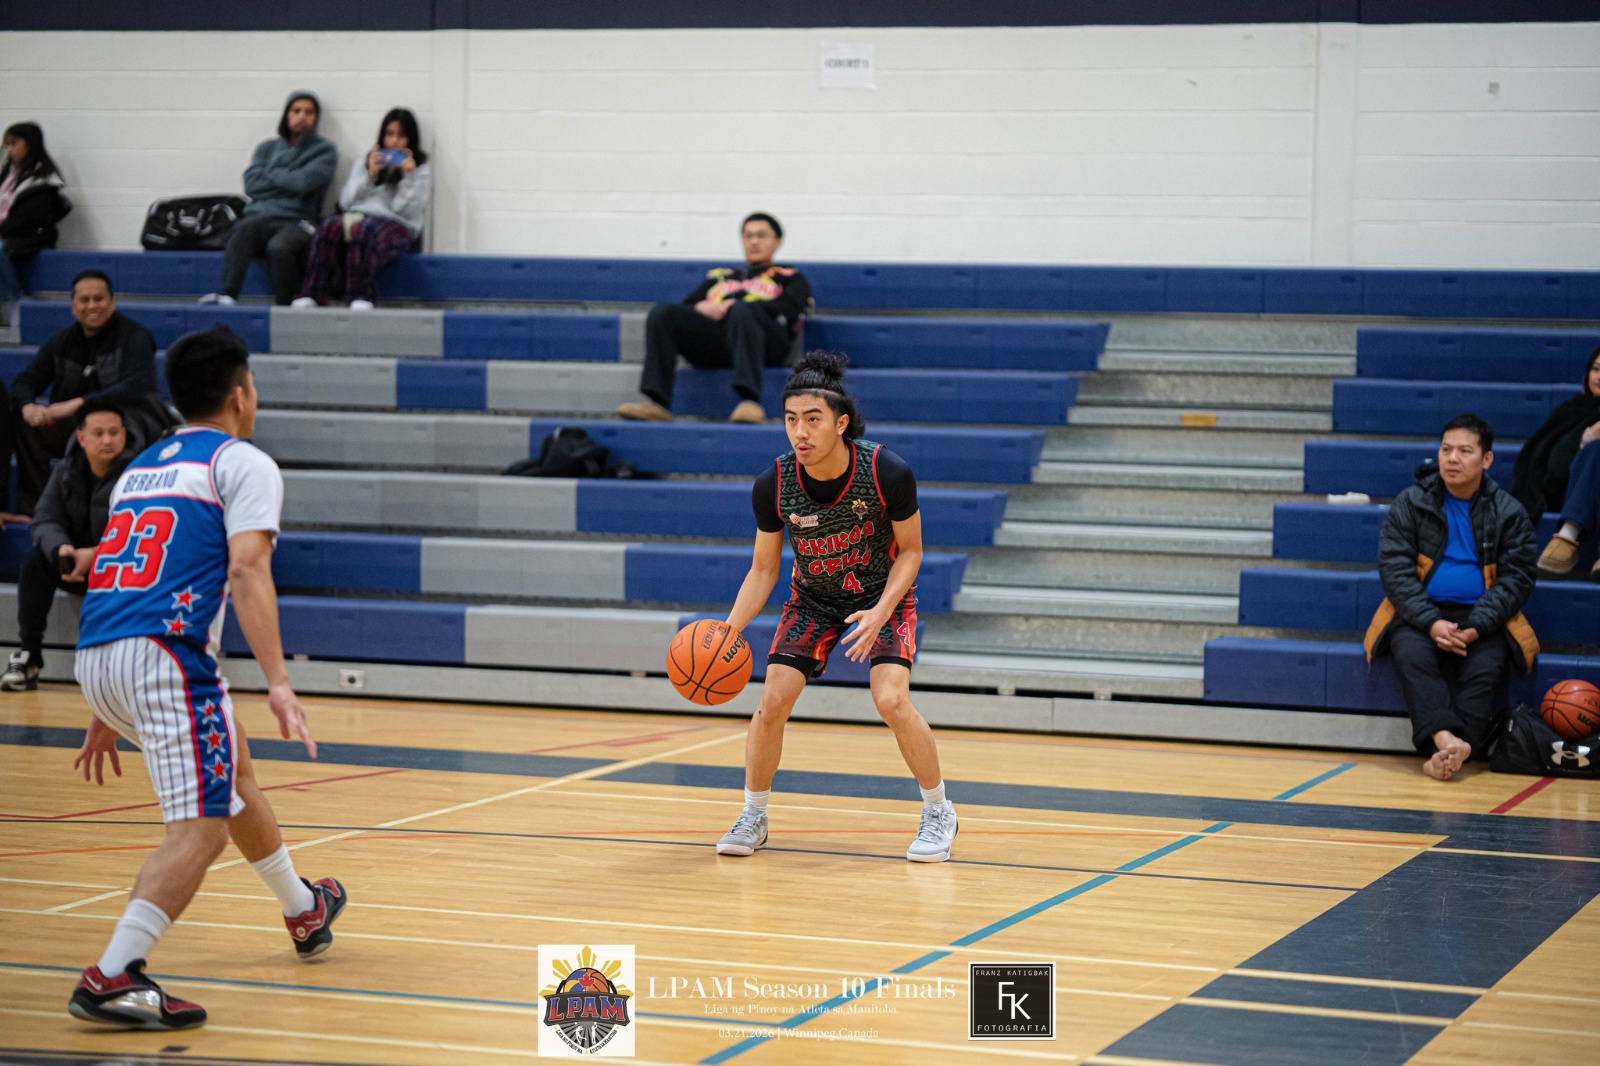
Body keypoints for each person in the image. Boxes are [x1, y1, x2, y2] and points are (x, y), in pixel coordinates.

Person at [66, 325, 346, 1030]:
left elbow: (123, 568)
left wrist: (108, 701)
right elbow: (248, 569)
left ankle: (303, 909)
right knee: (201, 831)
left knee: (235, 769)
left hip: (99, 647)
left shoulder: (142, 466)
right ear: (240, 394)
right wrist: (279, 681)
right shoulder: (242, 462)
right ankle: (112, 976)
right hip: (166, 657)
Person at [713, 351, 957, 861]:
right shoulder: (774, 484)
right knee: (771, 701)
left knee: (891, 700)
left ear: (840, 423)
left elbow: (912, 552)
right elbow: (763, 570)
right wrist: (728, 631)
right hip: (813, 599)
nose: (799, 432)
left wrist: (881, 611)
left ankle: (939, 811)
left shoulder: (887, 471)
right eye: (790, 420)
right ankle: (753, 815)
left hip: (881, 596)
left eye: (812, 419)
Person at [1363, 414, 1538, 781]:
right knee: (1411, 654)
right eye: (1446, 449)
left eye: (1464, 451)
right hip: (1420, 614)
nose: (1452, 458)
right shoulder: (1411, 503)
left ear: (1486, 459)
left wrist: (1476, 627)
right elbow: (1395, 572)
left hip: (1482, 616)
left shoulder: (1508, 511)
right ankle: (1450, 743)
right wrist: (1432, 623)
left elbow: (1517, 579)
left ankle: (1443, 755)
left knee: (1486, 668)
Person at [617, 212, 812, 425]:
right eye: (748, 236)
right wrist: (701, 306)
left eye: (761, 235)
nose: (754, 241)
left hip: (765, 345)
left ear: (778, 241)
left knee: (741, 311)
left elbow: (791, 306)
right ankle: (657, 403)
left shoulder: (790, 277)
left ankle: (750, 402)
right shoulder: (722, 276)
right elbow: (688, 306)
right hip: (718, 344)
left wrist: (738, 305)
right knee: (662, 313)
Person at [0, 399, 141, 692]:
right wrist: (61, 549)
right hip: (76, 565)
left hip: (122, 569)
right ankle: (29, 656)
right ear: (81, 438)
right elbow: (44, 518)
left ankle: (132, 663)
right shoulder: (66, 470)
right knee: (38, 559)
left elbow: (139, 534)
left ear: (124, 435)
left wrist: (97, 555)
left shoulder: (140, 476)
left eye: (114, 432)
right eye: (98, 433)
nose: (107, 440)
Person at [11, 270, 165, 515]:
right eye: (84, 300)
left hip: (126, 421)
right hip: (78, 425)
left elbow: (137, 385)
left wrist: (78, 404)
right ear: (73, 306)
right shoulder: (61, 341)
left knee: (112, 429)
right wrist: (28, 406)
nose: (92, 306)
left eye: (99, 299)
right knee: (26, 424)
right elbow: (25, 381)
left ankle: (124, 509)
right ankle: (38, 511)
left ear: (112, 302)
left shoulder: (136, 336)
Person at [202, 92, 336, 307]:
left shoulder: (325, 151)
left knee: (279, 247)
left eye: (309, 112)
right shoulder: (266, 148)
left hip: (298, 220)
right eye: (296, 111)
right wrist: (291, 178)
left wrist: (271, 172)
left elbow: (303, 182)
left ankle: (284, 305)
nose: (302, 116)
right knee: (242, 229)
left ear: (316, 118)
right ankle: (229, 295)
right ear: (287, 115)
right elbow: (252, 185)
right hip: (260, 217)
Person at [291, 108, 431, 310]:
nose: (394, 141)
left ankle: (361, 296)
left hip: (397, 226)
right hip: (359, 216)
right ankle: (312, 293)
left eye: (401, 135)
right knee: (329, 225)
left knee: (363, 230)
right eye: (389, 134)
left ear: (411, 139)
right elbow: (346, 202)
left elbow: (403, 211)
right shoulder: (366, 162)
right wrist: (369, 175)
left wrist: (409, 176)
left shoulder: (420, 171)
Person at [1511, 345, 1600, 578]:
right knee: (1596, 448)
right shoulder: (1570, 411)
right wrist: (1587, 437)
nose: (1599, 376)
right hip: (1571, 491)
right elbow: (1552, 467)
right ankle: (1567, 534)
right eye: (1596, 369)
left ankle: (1569, 534)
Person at [0, 121, 71, 319]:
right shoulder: (7, 173)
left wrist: (2, 231)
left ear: (30, 144)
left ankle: (13, 303)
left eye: (14, 143)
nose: (9, 149)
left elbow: (28, 217)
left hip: (28, 237)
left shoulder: (43, 180)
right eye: (7, 144)